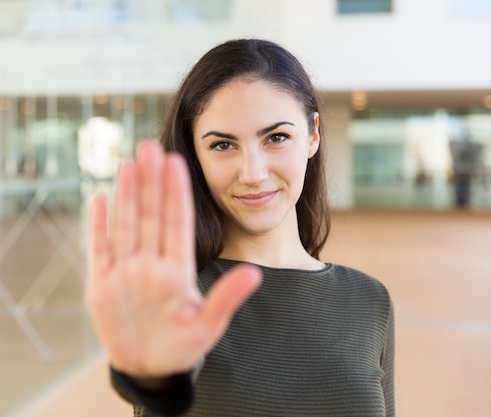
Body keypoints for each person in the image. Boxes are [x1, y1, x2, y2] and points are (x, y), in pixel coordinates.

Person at [86, 38, 395, 417]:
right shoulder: (180, 297)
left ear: (313, 134)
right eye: (222, 145)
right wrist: (154, 381)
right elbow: (161, 386)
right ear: (195, 156)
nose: (253, 173)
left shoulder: (369, 300)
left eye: (276, 137)